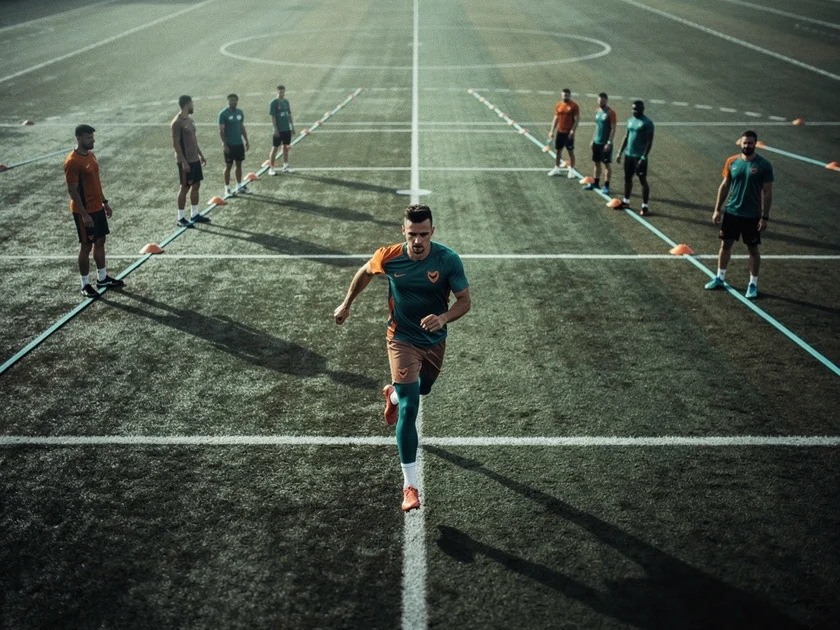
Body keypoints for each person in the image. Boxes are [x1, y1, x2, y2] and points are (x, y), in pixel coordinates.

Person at [334, 205, 471, 512]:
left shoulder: (448, 260)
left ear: (432, 232)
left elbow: (465, 301)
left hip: (434, 340)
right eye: (412, 234)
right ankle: (410, 486)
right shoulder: (389, 256)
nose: (418, 241)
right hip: (401, 339)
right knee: (411, 408)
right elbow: (365, 272)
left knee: (423, 389)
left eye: (423, 234)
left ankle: (392, 395)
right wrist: (346, 304)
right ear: (403, 232)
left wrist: (443, 318)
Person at [704, 130, 774, 299]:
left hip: (752, 215)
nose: (747, 146)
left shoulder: (764, 165)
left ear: (755, 144)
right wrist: (717, 209)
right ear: (740, 143)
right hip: (732, 212)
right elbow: (725, 185)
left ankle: (752, 284)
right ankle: (720, 278)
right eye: (745, 143)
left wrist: (765, 217)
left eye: (750, 143)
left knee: (753, 249)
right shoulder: (732, 161)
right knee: (725, 245)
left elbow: (768, 192)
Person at [64, 124, 124, 298]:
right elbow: (73, 191)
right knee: (86, 246)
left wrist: (104, 202)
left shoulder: (91, 155)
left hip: (97, 207)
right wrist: (84, 215)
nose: (93, 140)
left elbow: (95, 182)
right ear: (79, 138)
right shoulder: (72, 162)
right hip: (85, 211)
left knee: (100, 241)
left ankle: (102, 278)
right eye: (89, 137)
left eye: (92, 137)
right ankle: (85, 284)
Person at [171, 95, 210, 227]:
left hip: (194, 159)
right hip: (186, 161)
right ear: (187, 104)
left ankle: (195, 214)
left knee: (196, 185)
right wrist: (183, 162)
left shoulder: (190, 120)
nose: (193, 106)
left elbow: (193, 140)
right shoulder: (177, 122)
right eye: (192, 103)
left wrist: (201, 155)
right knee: (184, 187)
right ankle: (180, 218)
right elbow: (175, 144)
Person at [616, 100, 655, 215]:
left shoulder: (647, 123)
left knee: (642, 180)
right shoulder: (630, 120)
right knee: (627, 178)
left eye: (637, 109)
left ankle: (645, 207)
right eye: (633, 109)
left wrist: (643, 157)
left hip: (639, 157)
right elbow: (626, 136)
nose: (635, 111)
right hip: (629, 155)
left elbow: (649, 142)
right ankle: (626, 201)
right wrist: (620, 152)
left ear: (642, 109)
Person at [584, 93, 617, 194]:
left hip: (605, 143)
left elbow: (613, 128)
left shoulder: (611, 113)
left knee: (607, 164)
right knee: (596, 162)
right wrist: (593, 140)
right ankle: (595, 183)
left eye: (602, 100)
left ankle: (606, 186)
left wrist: (609, 142)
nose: (600, 102)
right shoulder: (597, 111)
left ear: (606, 100)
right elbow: (597, 127)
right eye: (599, 100)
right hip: (597, 142)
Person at [218, 93, 250, 196]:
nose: (234, 102)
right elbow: (221, 131)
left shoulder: (240, 112)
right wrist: (225, 144)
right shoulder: (223, 114)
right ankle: (227, 188)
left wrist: (246, 140)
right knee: (228, 166)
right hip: (229, 145)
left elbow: (241, 126)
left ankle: (239, 185)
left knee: (239, 164)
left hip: (239, 143)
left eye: (235, 100)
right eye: (232, 100)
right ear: (228, 101)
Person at [547, 88, 580, 179]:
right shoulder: (558, 105)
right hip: (560, 132)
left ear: (570, 95)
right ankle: (556, 168)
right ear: (561, 95)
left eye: (567, 95)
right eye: (564, 95)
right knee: (558, 151)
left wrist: (573, 130)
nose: (565, 96)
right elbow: (556, 118)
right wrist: (551, 131)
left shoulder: (574, 106)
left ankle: (571, 170)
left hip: (568, 133)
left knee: (570, 152)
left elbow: (577, 119)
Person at [268, 85, 295, 175]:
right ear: (277, 92)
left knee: (286, 147)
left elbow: (289, 114)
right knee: (275, 148)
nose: (282, 94)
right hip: (279, 130)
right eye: (280, 92)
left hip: (286, 129)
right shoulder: (273, 103)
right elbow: (273, 117)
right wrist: (276, 129)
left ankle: (285, 166)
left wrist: (292, 127)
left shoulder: (286, 102)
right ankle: (271, 168)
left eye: (283, 92)